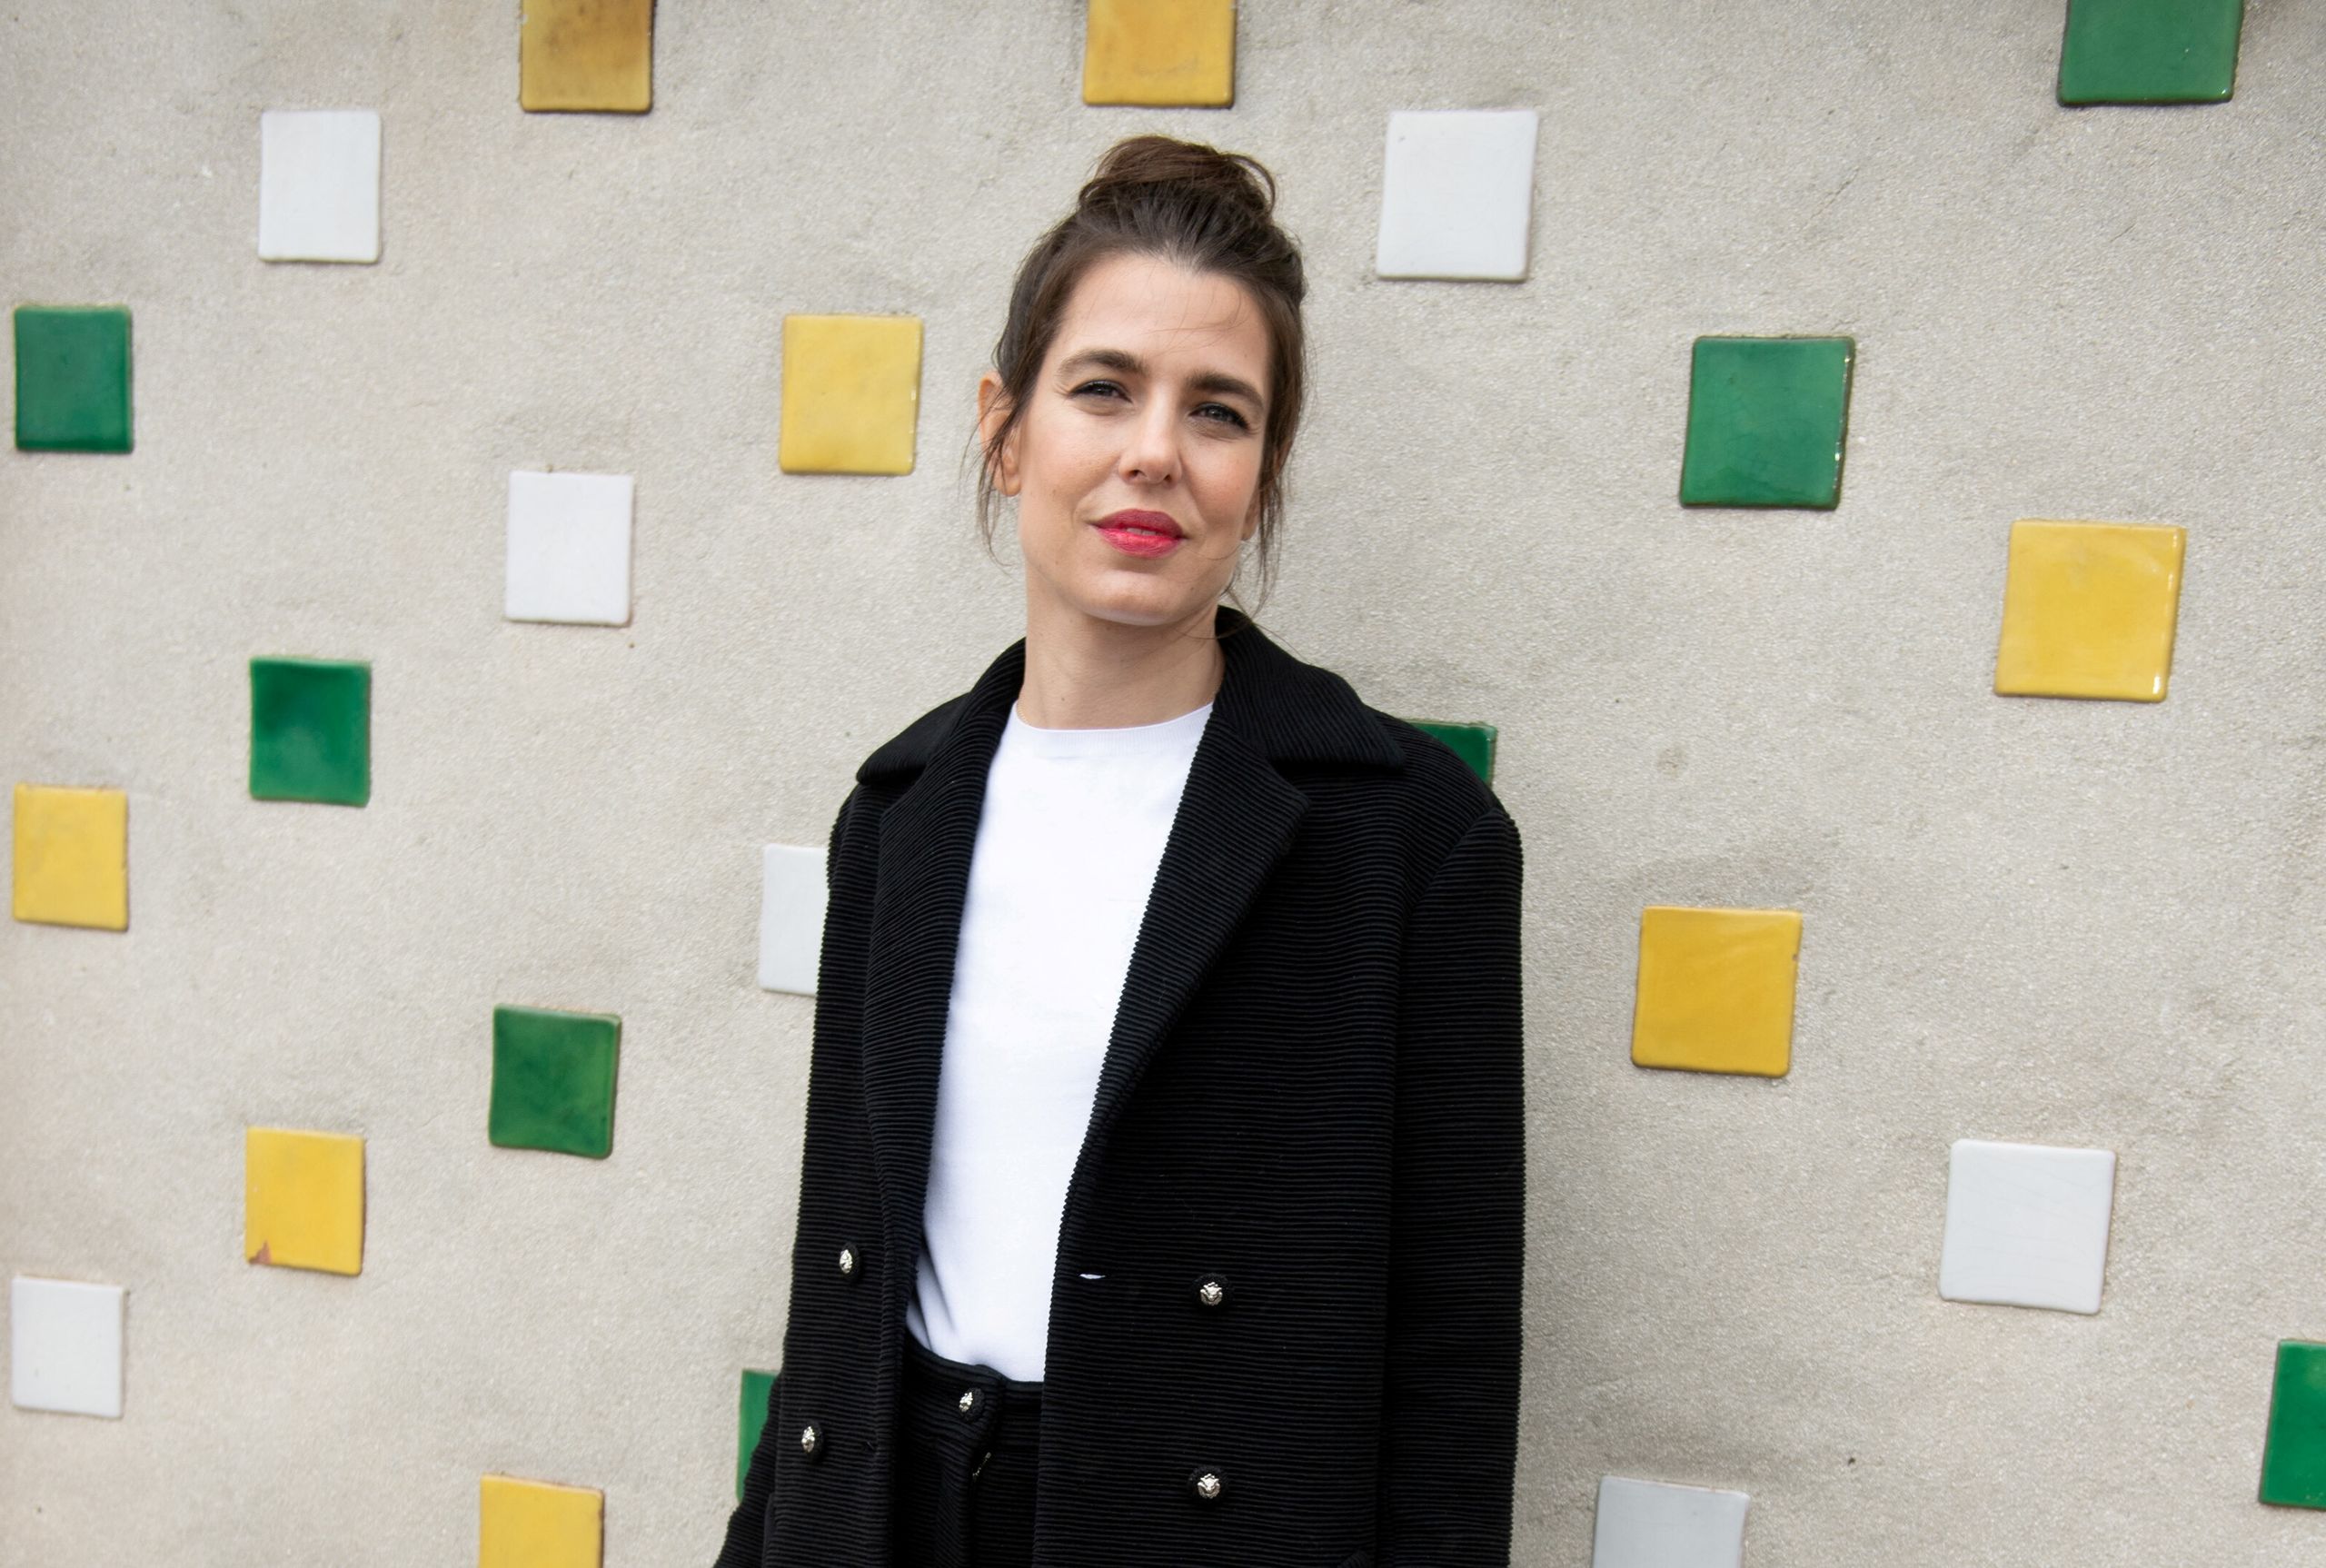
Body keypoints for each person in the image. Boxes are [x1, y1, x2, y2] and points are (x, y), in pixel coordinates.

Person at [715, 134, 1526, 1568]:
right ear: (1006, 427)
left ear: (1262, 473)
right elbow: (840, 1276)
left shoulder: (1407, 839)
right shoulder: (895, 817)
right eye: (1104, 387)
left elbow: (1450, 1367)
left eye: (1218, 410)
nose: (1156, 448)